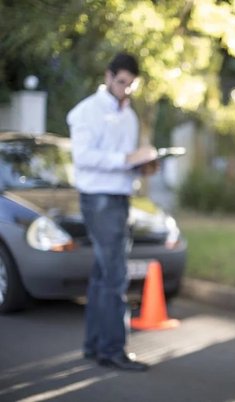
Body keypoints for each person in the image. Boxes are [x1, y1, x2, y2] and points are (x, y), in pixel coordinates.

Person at [67, 52, 158, 372]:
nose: (126, 90)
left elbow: (125, 163)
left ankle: (94, 347)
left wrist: (141, 167)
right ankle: (113, 350)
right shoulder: (85, 112)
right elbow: (84, 157)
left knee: (102, 276)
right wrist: (127, 158)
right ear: (108, 77)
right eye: (122, 83)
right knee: (116, 275)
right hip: (98, 199)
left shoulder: (130, 115)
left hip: (120, 198)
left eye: (132, 85)